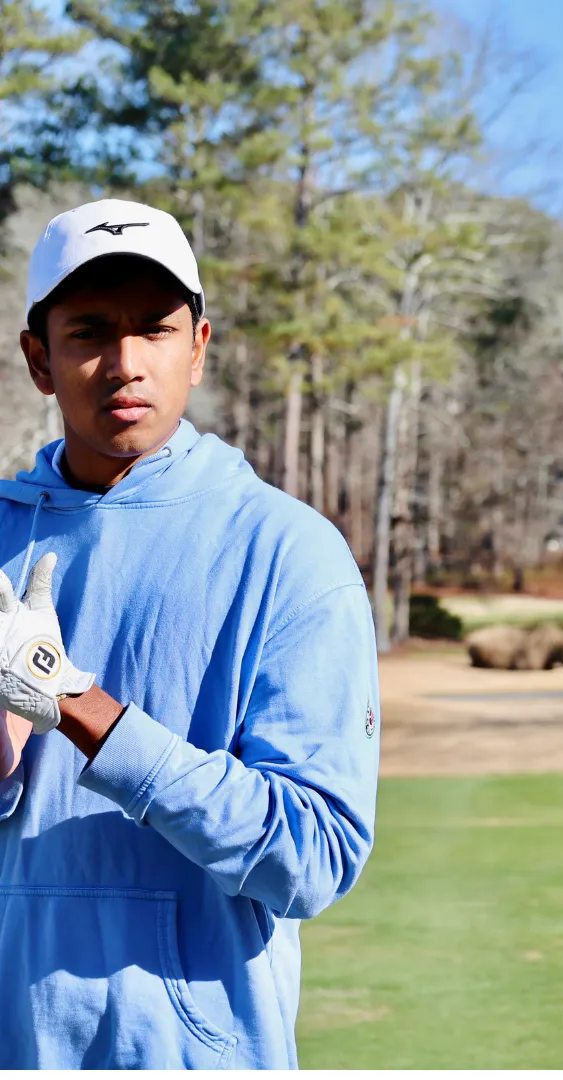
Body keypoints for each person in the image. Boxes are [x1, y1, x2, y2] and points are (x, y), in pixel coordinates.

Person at [0, 198, 380, 1068]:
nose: (125, 363)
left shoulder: (288, 553)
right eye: (90, 330)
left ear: (199, 348)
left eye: (156, 330)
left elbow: (313, 858)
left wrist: (79, 707)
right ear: (38, 359)